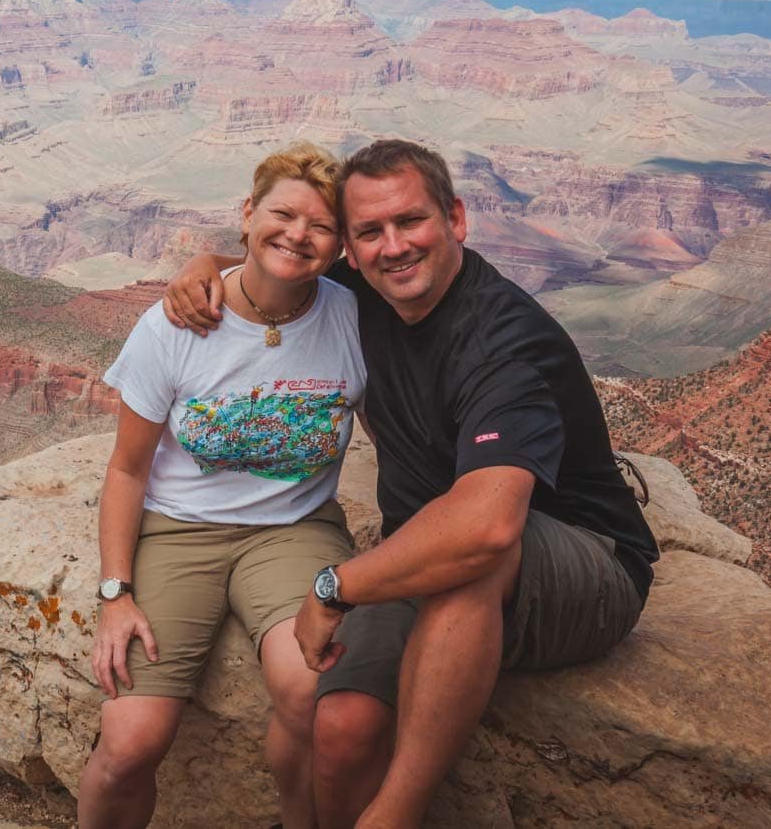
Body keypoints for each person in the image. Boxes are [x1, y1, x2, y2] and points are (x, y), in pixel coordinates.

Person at [165, 139, 659, 829]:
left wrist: (335, 586)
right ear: (350, 247)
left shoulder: (504, 340)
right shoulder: (364, 293)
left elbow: (486, 528)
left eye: (411, 221)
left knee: (473, 556)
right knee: (341, 725)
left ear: (455, 218)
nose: (393, 246)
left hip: (588, 561)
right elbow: (278, 263)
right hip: (423, 550)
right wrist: (201, 267)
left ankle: (395, 814)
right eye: (369, 231)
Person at [80, 142, 369, 829]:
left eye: (321, 226)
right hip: (178, 530)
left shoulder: (356, 315)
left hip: (295, 530)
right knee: (129, 743)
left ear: (340, 246)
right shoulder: (177, 323)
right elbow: (126, 469)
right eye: (282, 214)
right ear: (247, 214)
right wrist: (115, 593)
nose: (297, 234)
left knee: (313, 694)